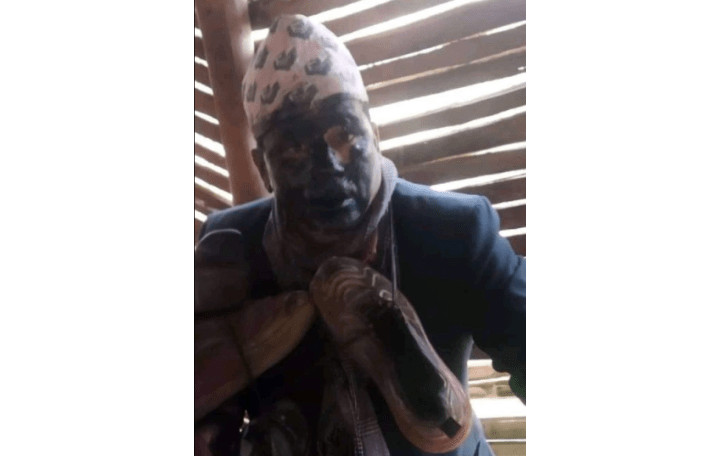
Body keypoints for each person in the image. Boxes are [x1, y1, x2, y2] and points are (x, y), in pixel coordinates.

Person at [195, 14, 525, 456]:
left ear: (376, 135)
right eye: (292, 149)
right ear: (263, 169)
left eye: (345, 134)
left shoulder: (453, 231)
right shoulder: (230, 246)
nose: (328, 166)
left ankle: (431, 400)